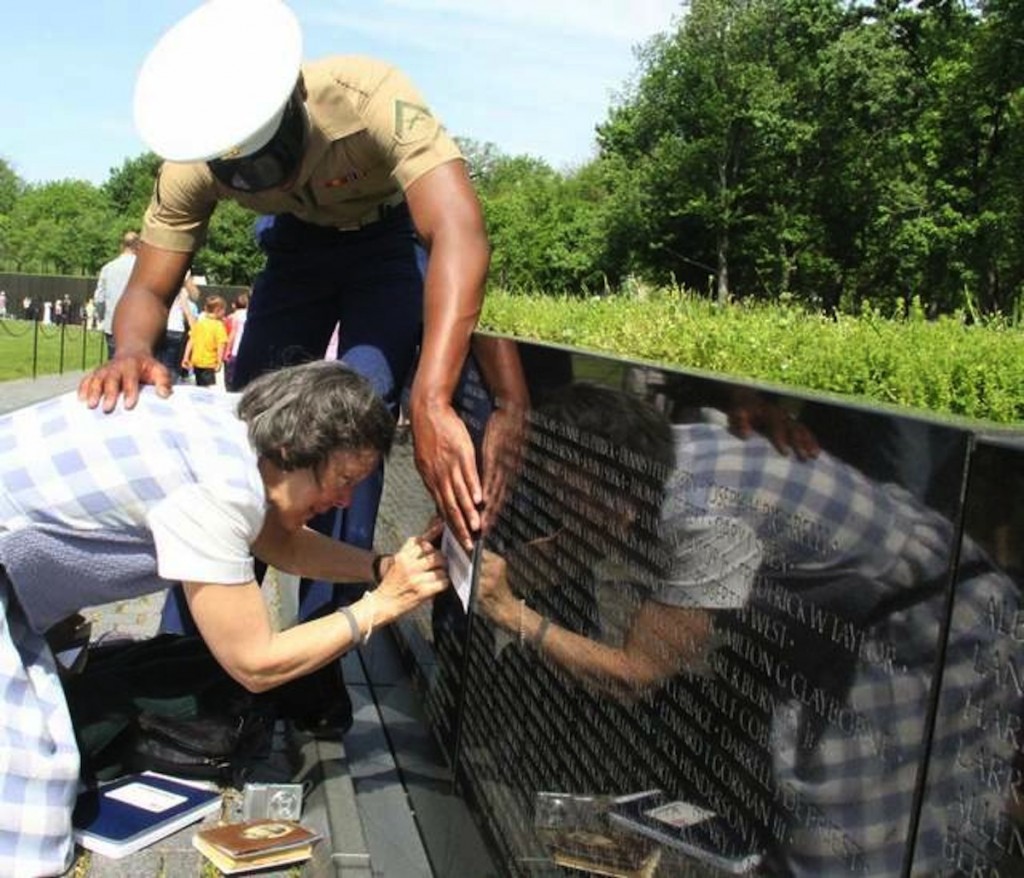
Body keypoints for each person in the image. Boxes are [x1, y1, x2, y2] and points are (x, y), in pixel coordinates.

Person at [474, 381, 1016, 876]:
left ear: (602, 476)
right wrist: (486, 572)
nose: (556, 503)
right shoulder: (655, 453)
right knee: (806, 798)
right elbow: (585, 538)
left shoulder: (706, 517)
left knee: (848, 841)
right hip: (855, 621)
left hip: (935, 631)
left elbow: (635, 674)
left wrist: (512, 614)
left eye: (563, 490)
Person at [76, 0, 525, 558]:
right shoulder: (190, 160)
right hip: (294, 249)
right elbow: (148, 284)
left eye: (267, 160)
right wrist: (131, 349)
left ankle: (340, 611)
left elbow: (459, 229)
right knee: (253, 419)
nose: (252, 178)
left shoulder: (370, 94)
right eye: (237, 172)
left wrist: (432, 398)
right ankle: (199, 614)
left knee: (355, 417)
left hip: (383, 243)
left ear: (295, 101)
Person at [0, 359, 449, 876]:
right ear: (294, 450)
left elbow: (276, 540)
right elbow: (255, 663)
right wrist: (382, 605)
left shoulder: (238, 427)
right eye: (343, 479)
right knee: (28, 823)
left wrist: (379, 567)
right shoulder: (217, 492)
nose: (344, 500)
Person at [92, 231, 140, 359]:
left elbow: (99, 299)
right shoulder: (141, 268)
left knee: (113, 365)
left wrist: (103, 318)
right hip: (136, 327)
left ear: (122, 246)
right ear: (138, 246)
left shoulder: (108, 268)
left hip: (112, 324)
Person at [182, 294, 229, 387]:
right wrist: (219, 361)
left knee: (199, 385)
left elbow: (191, 341)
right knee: (208, 389)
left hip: (196, 361)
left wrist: (185, 357)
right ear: (217, 310)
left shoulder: (199, 323)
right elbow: (221, 345)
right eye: (224, 310)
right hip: (209, 363)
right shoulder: (218, 325)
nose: (225, 312)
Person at [225, 290, 249, 389]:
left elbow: (233, 333)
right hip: (247, 350)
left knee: (231, 378)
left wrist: (227, 349)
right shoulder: (250, 314)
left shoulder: (235, 316)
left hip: (236, 350)